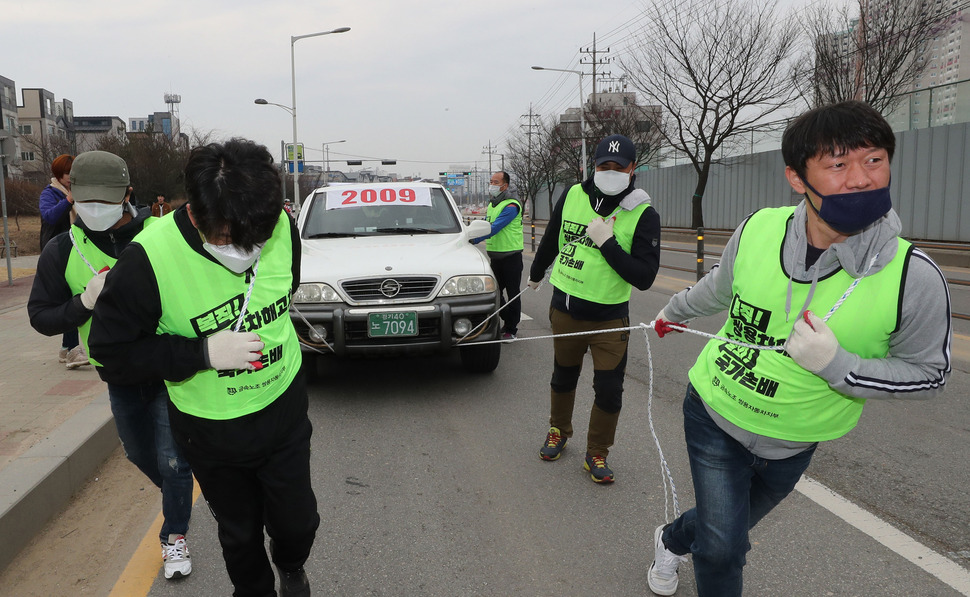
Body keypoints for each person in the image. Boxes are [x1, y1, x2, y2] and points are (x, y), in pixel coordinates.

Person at [646, 101, 952, 596]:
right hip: (715, 414)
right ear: (796, 177)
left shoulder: (913, 276)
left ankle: (670, 539)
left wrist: (840, 367)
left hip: (794, 443)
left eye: (873, 160)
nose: (860, 178)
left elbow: (929, 375)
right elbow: (720, 288)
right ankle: (690, 545)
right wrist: (673, 312)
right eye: (837, 164)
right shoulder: (758, 228)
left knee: (722, 527)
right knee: (724, 548)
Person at [89, 138, 319, 597]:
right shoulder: (148, 258)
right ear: (195, 213)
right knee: (240, 536)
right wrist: (202, 354)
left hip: (283, 409)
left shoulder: (277, 226)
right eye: (229, 238)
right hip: (210, 432)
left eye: (258, 236)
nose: (247, 248)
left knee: (298, 523)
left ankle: (292, 565)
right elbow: (110, 353)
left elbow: (285, 286)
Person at [28, 150, 195, 580]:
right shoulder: (61, 250)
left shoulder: (161, 232)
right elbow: (41, 316)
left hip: (167, 368)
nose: (95, 208)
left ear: (127, 193)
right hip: (118, 376)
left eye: (106, 198)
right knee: (139, 454)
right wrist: (82, 303)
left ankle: (174, 536)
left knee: (173, 458)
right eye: (86, 198)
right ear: (71, 195)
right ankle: (179, 495)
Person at [527, 134, 661, 483]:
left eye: (619, 167)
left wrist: (608, 243)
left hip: (609, 319)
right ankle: (558, 431)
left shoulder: (643, 214)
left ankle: (597, 453)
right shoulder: (572, 194)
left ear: (633, 170)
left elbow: (644, 277)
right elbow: (554, 235)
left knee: (609, 390)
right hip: (566, 309)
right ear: (592, 166)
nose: (611, 171)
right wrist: (536, 272)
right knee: (563, 376)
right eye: (604, 166)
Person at [38, 153, 87, 368]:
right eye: (68, 173)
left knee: (73, 296)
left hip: (76, 251)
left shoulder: (78, 193)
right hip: (57, 252)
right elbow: (49, 216)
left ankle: (68, 348)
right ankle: (72, 350)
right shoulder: (50, 193)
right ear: (59, 174)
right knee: (72, 298)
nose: (71, 177)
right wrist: (68, 200)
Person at [471, 171, 523, 341]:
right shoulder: (493, 204)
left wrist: (473, 238)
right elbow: (485, 225)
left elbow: (494, 228)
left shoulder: (511, 206)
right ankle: (507, 320)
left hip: (511, 257)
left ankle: (511, 329)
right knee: (495, 293)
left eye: (495, 182)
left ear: (505, 186)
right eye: (491, 181)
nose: (491, 185)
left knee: (513, 293)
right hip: (496, 257)